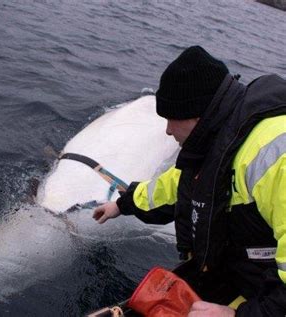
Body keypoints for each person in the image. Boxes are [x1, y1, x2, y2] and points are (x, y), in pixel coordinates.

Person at [93, 46, 286, 316]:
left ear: (198, 115)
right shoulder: (218, 141)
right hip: (242, 278)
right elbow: (174, 187)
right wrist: (122, 205)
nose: (168, 130)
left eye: (173, 118)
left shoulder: (275, 155)